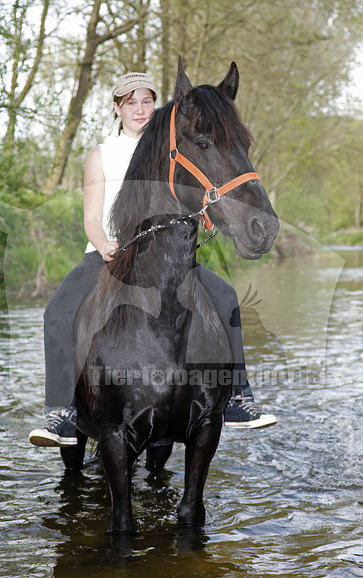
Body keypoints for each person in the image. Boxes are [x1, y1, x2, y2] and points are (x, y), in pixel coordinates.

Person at [28, 72, 276, 448]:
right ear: (117, 108)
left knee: (226, 297)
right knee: (57, 311)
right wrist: (106, 245)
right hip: (109, 253)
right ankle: (61, 411)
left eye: (147, 101)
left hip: (164, 256)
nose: (141, 109)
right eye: (131, 103)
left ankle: (238, 397)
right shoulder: (101, 155)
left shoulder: (172, 144)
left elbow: (192, 192)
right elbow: (92, 219)